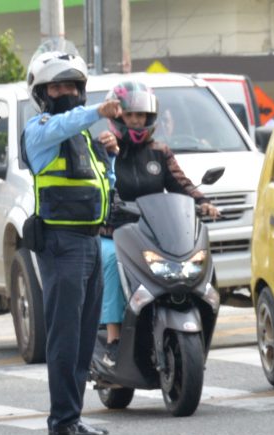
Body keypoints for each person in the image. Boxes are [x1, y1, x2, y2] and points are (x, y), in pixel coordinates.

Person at [23, 50, 123, 435]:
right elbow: (65, 123)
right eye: (57, 85)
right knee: (65, 335)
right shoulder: (42, 131)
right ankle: (62, 420)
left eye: (72, 85)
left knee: (83, 335)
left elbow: (104, 187)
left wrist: (110, 158)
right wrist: (100, 110)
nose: (65, 91)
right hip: (61, 243)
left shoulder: (84, 138)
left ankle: (72, 415)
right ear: (43, 93)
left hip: (90, 241)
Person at [92, 79, 219, 368]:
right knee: (111, 261)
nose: (136, 121)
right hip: (113, 232)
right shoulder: (105, 147)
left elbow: (180, 183)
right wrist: (106, 154)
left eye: (141, 116)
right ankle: (112, 339)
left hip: (151, 233)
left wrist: (202, 202)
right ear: (116, 116)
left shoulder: (160, 152)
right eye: (130, 115)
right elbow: (96, 182)